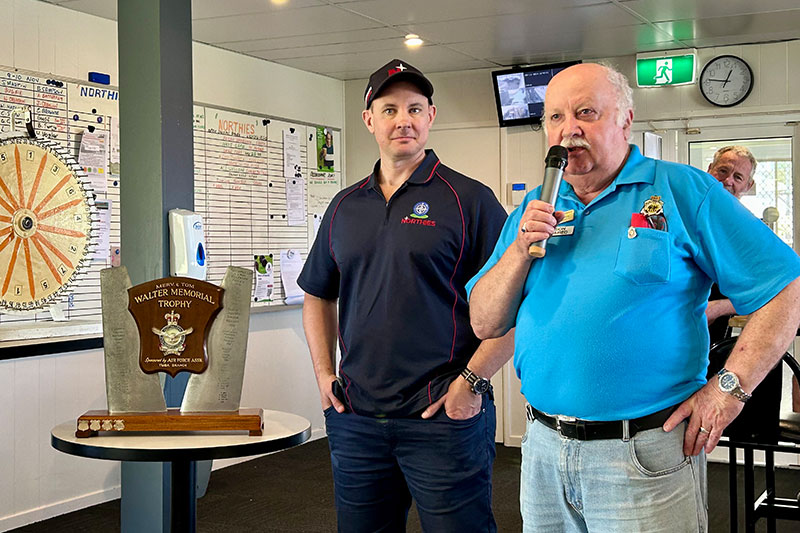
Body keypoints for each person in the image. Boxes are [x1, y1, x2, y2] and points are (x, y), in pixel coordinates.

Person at [467, 62, 800, 532]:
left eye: (586, 112)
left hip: (643, 452)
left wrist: (729, 390)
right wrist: (520, 249)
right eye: (556, 117)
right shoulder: (535, 207)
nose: (569, 130)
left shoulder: (683, 190)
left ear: (625, 120)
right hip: (542, 448)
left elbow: (787, 287)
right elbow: (484, 322)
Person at [298, 58, 512, 533]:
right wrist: (322, 374)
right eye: (390, 109)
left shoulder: (469, 200)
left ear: (431, 117)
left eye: (415, 108)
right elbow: (317, 294)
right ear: (369, 119)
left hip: (442, 416)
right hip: (355, 418)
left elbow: (518, 304)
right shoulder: (344, 206)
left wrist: (470, 385)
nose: (404, 120)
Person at [705, 145, 758, 345]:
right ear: (710, 170)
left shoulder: (751, 231)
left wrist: (717, 308)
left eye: (738, 177)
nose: (727, 180)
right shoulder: (682, 215)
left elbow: (769, 290)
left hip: (710, 336)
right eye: (723, 171)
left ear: (748, 185)